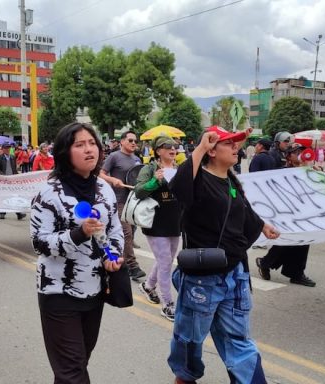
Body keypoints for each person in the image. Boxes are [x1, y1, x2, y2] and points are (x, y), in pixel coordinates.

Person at [167, 126, 280, 384]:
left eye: (237, 143)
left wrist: (262, 225)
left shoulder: (231, 180)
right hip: (202, 280)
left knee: (238, 340)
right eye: (229, 143)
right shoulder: (198, 179)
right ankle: (185, 376)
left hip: (235, 274)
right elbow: (178, 187)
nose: (236, 147)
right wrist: (200, 147)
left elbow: (244, 212)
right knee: (190, 339)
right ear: (212, 150)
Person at [30, 122, 124, 384]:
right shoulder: (48, 193)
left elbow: (114, 228)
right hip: (58, 291)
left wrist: (113, 256)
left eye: (92, 143)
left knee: (77, 362)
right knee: (72, 371)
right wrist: (77, 233)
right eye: (79, 144)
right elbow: (39, 242)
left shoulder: (103, 188)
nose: (88, 149)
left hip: (94, 289)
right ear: (64, 152)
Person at [255, 143, 316, 287]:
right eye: (296, 152)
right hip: (288, 214)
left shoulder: (308, 171)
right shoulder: (282, 172)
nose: (300, 154)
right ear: (289, 156)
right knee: (286, 241)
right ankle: (265, 262)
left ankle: (296, 273)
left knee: (303, 242)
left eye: (302, 151)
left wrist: (316, 174)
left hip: (304, 213)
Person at [134, 136, 181, 321]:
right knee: (165, 261)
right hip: (155, 222)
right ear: (158, 150)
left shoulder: (178, 169)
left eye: (175, 146)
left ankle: (148, 286)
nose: (173, 149)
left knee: (167, 260)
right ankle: (167, 304)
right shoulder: (150, 168)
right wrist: (155, 180)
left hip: (174, 221)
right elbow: (138, 191)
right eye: (168, 146)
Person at [100, 130, 145, 280]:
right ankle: (133, 266)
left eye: (135, 141)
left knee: (130, 232)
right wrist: (113, 180)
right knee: (126, 233)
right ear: (122, 142)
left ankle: (120, 261)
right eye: (131, 140)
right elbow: (101, 173)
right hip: (118, 200)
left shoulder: (137, 159)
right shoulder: (114, 156)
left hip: (133, 200)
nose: (134, 143)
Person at [0, 142, 26, 220]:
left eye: (9, 148)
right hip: (3, 180)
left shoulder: (12, 157)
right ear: (3, 149)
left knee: (14, 196)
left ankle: (18, 213)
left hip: (12, 180)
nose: (8, 149)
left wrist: (18, 176)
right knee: (3, 197)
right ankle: (2, 213)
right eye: (6, 148)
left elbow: (14, 168)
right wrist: (3, 175)